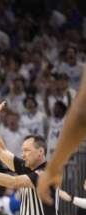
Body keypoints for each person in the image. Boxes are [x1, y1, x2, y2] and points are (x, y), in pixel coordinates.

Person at [38, 65, 86, 204]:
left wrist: (52, 169)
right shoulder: (52, 120)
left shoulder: (66, 118)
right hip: (56, 153)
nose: (55, 110)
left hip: (66, 155)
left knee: (73, 182)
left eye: (58, 108)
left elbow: (81, 113)